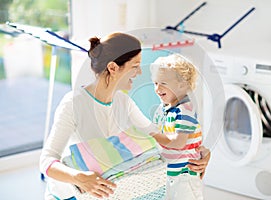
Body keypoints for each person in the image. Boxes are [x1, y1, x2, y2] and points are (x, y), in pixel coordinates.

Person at [39, 32, 210, 200]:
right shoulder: (73, 103)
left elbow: (161, 140)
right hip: (70, 193)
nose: (139, 73)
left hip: (105, 192)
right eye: (135, 66)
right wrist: (80, 178)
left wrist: (197, 151)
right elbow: (46, 161)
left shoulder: (124, 102)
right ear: (113, 68)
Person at [150, 54, 204, 200]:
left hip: (184, 176)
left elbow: (179, 142)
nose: (157, 88)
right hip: (170, 173)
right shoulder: (165, 108)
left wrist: (151, 133)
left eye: (163, 83)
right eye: (155, 83)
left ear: (182, 85)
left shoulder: (186, 110)